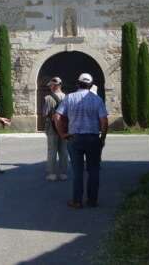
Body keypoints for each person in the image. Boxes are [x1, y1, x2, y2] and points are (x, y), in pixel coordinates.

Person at [55, 73, 108, 209]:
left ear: (77, 83)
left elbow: (57, 116)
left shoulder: (69, 98)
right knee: (93, 170)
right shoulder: (97, 100)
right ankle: (92, 200)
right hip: (92, 137)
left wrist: (62, 134)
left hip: (74, 138)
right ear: (91, 85)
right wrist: (102, 138)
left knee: (77, 171)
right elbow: (104, 120)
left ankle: (77, 201)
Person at [43, 77, 68, 181]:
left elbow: (45, 113)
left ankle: (51, 174)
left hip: (52, 127)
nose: (50, 87)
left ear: (56, 86)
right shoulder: (67, 97)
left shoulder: (48, 98)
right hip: (64, 127)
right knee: (64, 150)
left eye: (51, 85)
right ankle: (63, 173)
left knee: (52, 150)